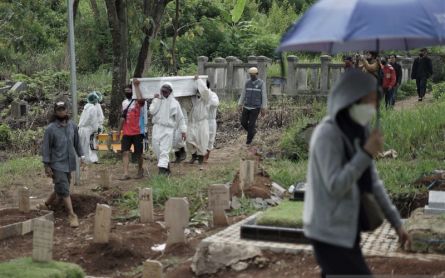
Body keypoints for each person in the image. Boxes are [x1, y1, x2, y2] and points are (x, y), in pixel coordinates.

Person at [304, 70, 410, 277]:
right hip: (327, 230)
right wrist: (366, 153)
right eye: (369, 101)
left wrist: (397, 224)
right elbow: (335, 185)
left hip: (347, 227)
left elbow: (373, 181)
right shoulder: (328, 134)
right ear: (351, 99)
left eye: (375, 101)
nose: (373, 107)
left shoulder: (359, 130)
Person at [39, 101, 83, 228]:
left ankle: (46, 204)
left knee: (62, 187)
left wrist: (82, 155)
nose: (61, 112)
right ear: (55, 112)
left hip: (68, 163)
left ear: (67, 110)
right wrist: (46, 166)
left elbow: (77, 142)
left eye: (63, 109)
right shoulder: (50, 129)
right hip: (56, 163)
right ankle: (72, 215)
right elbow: (46, 148)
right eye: (58, 110)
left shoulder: (72, 126)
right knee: (64, 188)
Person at [149, 82, 186, 175]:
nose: (164, 93)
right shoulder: (157, 100)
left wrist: (183, 131)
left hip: (168, 129)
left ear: (170, 91)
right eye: (163, 91)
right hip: (156, 128)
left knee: (165, 150)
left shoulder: (175, 103)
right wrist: (156, 99)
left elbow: (180, 118)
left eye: (166, 91)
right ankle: (166, 168)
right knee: (156, 148)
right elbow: (152, 111)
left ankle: (161, 173)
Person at [118, 80, 146, 180]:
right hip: (126, 132)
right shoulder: (124, 103)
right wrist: (119, 131)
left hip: (138, 131)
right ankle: (126, 173)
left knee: (139, 153)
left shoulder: (137, 101)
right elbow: (122, 117)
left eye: (129, 90)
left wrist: (136, 86)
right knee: (125, 152)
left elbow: (141, 100)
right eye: (126, 90)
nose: (127, 92)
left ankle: (140, 170)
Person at [187, 76, 213, 165]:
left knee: (202, 141)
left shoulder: (207, 97)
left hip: (202, 122)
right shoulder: (193, 97)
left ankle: (201, 157)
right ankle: (194, 155)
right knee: (189, 139)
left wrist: (199, 80)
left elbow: (205, 91)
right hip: (192, 122)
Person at [238, 67, 267, 145]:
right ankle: (253, 132)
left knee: (251, 124)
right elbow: (243, 93)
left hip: (256, 107)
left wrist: (263, 108)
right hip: (246, 106)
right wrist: (240, 104)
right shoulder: (247, 82)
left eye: (253, 75)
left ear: (257, 74)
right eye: (251, 75)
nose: (252, 76)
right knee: (243, 122)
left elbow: (264, 96)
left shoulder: (261, 83)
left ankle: (248, 141)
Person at [78, 92, 104, 164]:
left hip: (82, 129)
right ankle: (91, 160)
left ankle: (84, 160)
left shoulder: (87, 106)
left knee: (84, 145)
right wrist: (97, 129)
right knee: (90, 145)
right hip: (88, 130)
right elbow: (93, 121)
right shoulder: (92, 108)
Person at [172, 97, 191, 163]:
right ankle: (177, 157)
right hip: (173, 119)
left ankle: (183, 152)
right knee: (173, 139)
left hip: (182, 118)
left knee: (179, 138)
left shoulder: (184, 99)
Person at [205, 80, 220, 162]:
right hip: (201, 121)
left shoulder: (213, 95)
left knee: (210, 139)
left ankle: (205, 157)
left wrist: (208, 96)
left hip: (210, 120)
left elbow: (215, 103)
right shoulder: (199, 95)